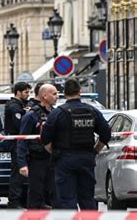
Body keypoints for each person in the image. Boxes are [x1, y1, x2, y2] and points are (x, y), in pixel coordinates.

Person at [41, 78, 111, 210]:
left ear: (64, 93)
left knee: (67, 200)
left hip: (64, 160)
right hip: (86, 159)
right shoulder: (92, 111)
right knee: (87, 198)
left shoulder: (57, 113)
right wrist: (95, 151)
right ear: (80, 92)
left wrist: (55, 152)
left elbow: (45, 139)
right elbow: (106, 133)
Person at [17, 84, 58, 209]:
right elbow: (22, 140)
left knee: (57, 194)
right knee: (36, 194)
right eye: (54, 94)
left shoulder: (56, 113)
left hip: (54, 159)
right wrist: (22, 164)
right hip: (37, 160)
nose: (57, 96)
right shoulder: (31, 115)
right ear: (45, 96)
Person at [4, 82, 31, 209]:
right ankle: (14, 201)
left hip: (21, 143)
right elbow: (20, 125)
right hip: (16, 142)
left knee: (23, 173)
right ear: (18, 92)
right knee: (18, 173)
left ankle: (22, 199)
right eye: (26, 92)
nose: (28, 94)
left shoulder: (22, 105)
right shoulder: (14, 107)